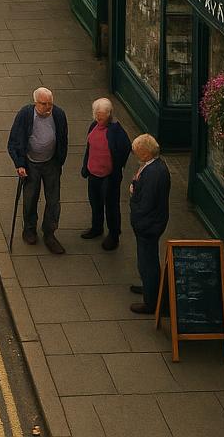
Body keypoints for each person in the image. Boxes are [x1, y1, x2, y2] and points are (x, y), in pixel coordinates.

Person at [7, 88, 69, 254]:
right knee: (30, 198)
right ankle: (29, 229)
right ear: (35, 102)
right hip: (30, 164)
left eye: (50, 103)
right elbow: (13, 142)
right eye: (43, 103)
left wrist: (59, 161)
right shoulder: (25, 115)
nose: (48, 107)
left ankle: (49, 233)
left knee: (54, 201)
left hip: (51, 164)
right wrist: (20, 164)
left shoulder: (59, 115)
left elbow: (63, 138)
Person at [80, 99, 131, 252]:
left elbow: (125, 149)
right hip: (93, 173)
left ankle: (114, 235)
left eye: (101, 116)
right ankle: (97, 227)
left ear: (109, 115)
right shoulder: (93, 126)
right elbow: (89, 148)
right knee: (95, 202)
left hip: (109, 177)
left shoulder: (117, 132)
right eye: (96, 115)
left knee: (111, 206)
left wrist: (116, 169)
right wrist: (86, 166)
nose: (98, 119)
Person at [128, 134, 170, 314]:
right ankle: (149, 287)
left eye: (137, 152)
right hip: (152, 222)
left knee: (147, 262)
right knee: (147, 259)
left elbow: (145, 203)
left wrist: (133, 198)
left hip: (148, 225)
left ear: (145, 153)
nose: (135, 154)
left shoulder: (154, 173)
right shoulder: (154, 166)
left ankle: (151, 301)